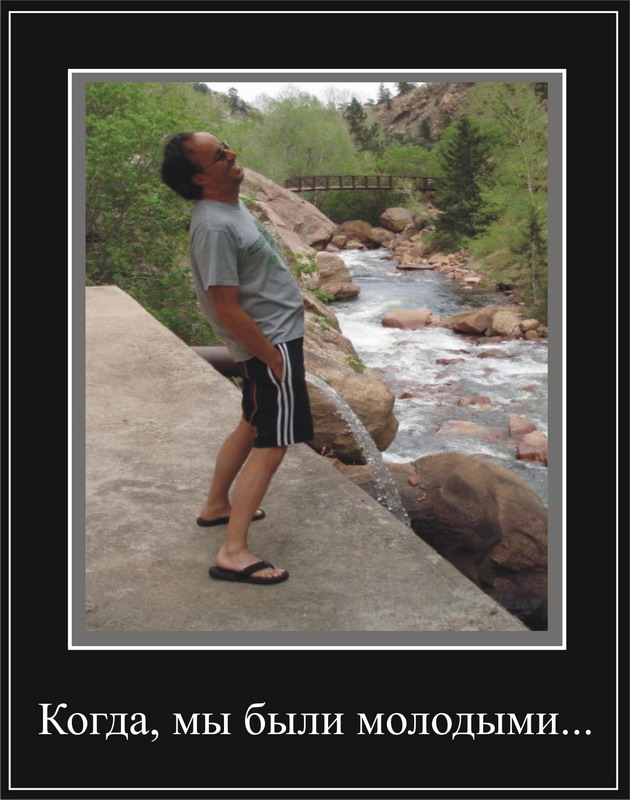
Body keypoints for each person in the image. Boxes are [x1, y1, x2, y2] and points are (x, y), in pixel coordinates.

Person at [160, 132, 314, 586]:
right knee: (272, 444)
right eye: (220, 155)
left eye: (225, 146)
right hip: (271, 344)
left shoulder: (229, 207)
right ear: (200, 177)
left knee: (250, 424)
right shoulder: (213, 226)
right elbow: (224, 306)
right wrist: (270, 357)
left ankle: (216, 506)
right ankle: (233, 551)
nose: (232, 154)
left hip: (272, 341)